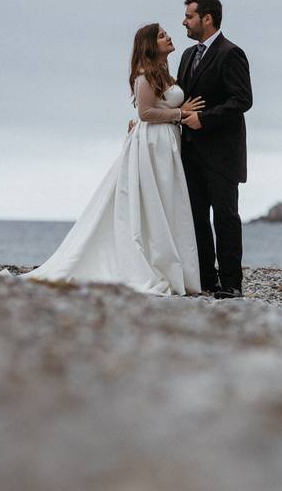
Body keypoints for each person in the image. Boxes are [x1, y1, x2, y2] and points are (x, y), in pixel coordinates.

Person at [21, 24, 204, 295]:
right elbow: (145, 113)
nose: (169, 37)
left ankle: (173, 265)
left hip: (166, 143)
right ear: (151, 45)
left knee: (167, 202)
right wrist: (180, 113)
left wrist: (177, 112)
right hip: (153, 145)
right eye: (163, 36)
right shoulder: (145, 76)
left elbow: (154, 108)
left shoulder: (164, 72)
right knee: (153, 201)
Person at [177, 0, 253, 299]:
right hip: (190, 152)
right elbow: (182, 97)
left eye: (189, 16)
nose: (184, 21)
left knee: (225, 218)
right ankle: (206, 279)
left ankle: (232, 284)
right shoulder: (185, 56)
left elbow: (242, 100)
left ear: (207, 18)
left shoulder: (231, 53)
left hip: (222, 153)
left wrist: (203, 119)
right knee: (196, 218)